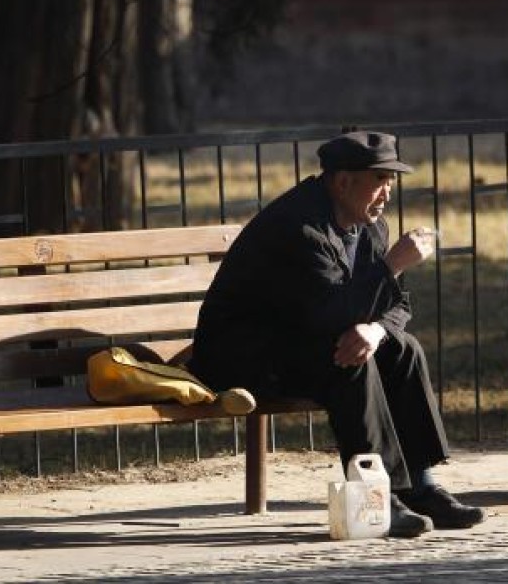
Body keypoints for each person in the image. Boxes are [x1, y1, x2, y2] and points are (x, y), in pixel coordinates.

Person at [188, 129, 486, 538]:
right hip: (243, 356)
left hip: (301, 341)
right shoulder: (298, 227)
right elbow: (328, 314)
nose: (386, 196)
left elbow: (397, 305)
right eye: (379, 182)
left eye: (391, 184)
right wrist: (391, 267)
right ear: (343, 182)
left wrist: (376, 330)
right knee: (348, 359)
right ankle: (376, 497)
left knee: (403, 349)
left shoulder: (368, 226)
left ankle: (420, 486)